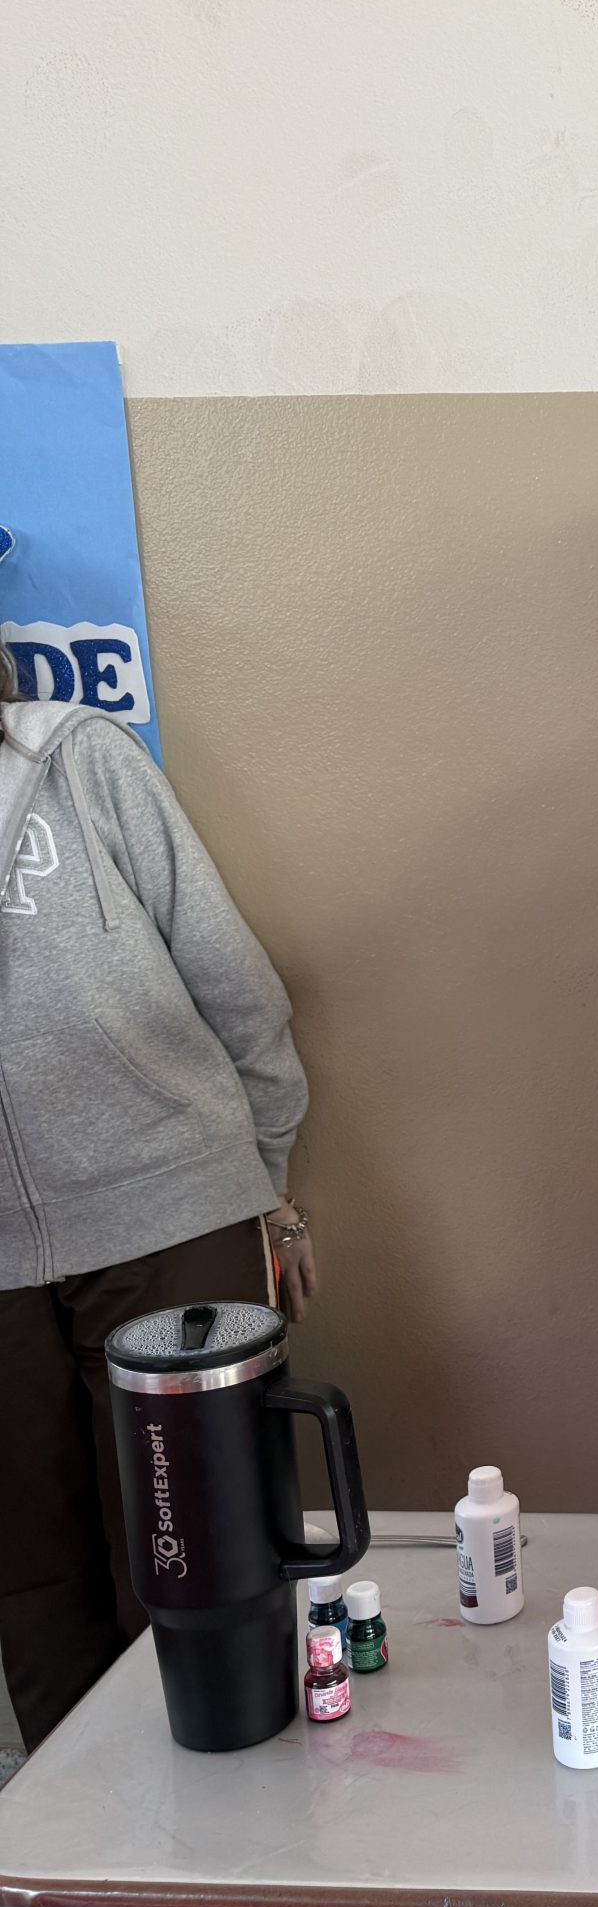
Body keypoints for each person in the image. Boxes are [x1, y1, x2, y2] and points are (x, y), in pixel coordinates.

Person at [0, 664, 316, 1751]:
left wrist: (268, 1192)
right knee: (32, 1590)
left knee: (199, 1564)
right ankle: (86, 1846)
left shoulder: (79, 757)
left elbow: (236, 984)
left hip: (173, 1215)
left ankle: (240, 1840)